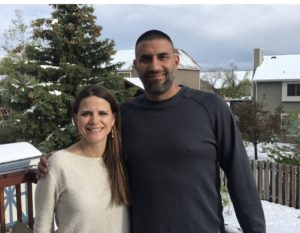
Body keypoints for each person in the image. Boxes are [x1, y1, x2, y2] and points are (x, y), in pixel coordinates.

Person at [37, 30, 266, 233]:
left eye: (163, 57)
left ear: (176, 61)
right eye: (146, 59)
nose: (155, 66)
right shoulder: (125, 115)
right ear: (136, 66)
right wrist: (54, 161)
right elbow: (93, 149)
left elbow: (240, 179)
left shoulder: (210, 107)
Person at [34, 85, 130, 233]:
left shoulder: (123, 161)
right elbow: (42, 228)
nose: (94, 120)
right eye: (86, 114)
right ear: (75, 118)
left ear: (113, 119)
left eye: (103, 113)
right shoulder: (57, 165)